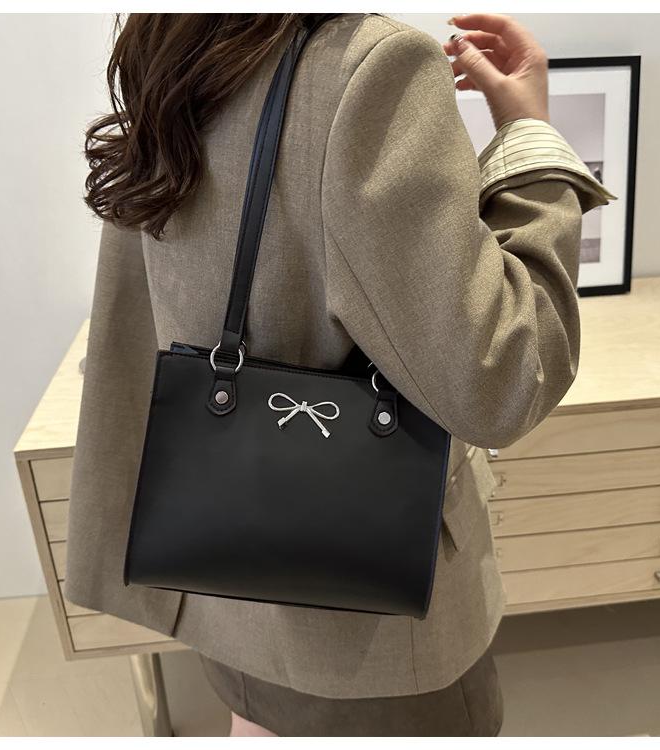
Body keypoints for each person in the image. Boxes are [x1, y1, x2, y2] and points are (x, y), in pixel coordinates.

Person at [64, 12, 615, 737]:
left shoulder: (177, 37)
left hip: (225, 576)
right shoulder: (370, 67)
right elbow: (506, 376)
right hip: (373, 641)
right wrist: (530, 136)